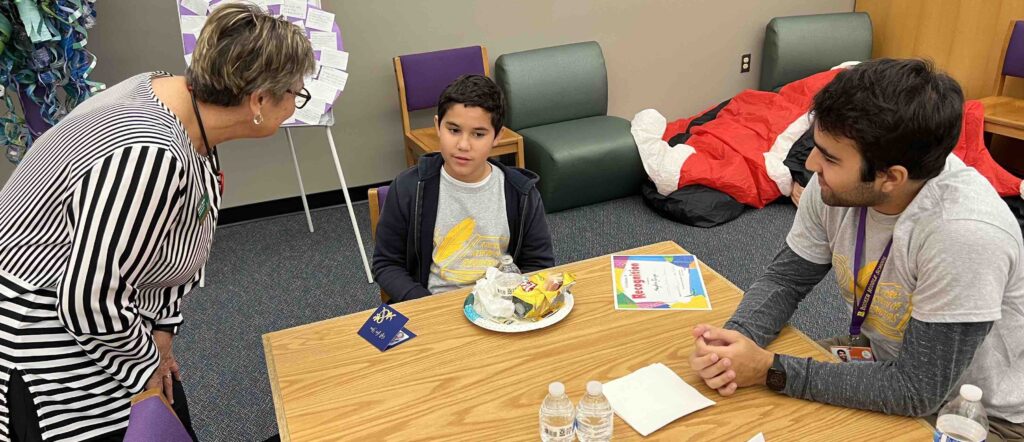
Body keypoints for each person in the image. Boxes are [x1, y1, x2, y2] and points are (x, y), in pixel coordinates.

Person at [0, 4, 314, 440]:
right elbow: (87, 300)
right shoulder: (149, 154)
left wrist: (163, 330)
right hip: (52, 340)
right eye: (296, 94)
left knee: (165, 412)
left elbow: (178, 230)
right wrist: (145, 363)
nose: (295, 105)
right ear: (259, 100)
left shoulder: (173, 95)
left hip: (117, 318)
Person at [687, 59, 1024, 440]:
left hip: (977, 414)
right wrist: (735, 344)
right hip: (883, 363)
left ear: (890, 177)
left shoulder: (964, 234)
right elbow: (786, 280)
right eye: (818, 147)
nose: (812, 165)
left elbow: (917, 392)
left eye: (830, 158)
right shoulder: (832, 185)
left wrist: (769, 370)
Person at [373, 74, 554, 302]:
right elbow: (386, 263)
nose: (463, 145)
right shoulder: (409, 187)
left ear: (497, 136)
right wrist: (425, 303)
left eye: (478, 134)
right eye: (454, 130)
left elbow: (539, 264)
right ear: (438, 126)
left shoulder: (521, 193)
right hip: (431, 304)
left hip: (501, 307)